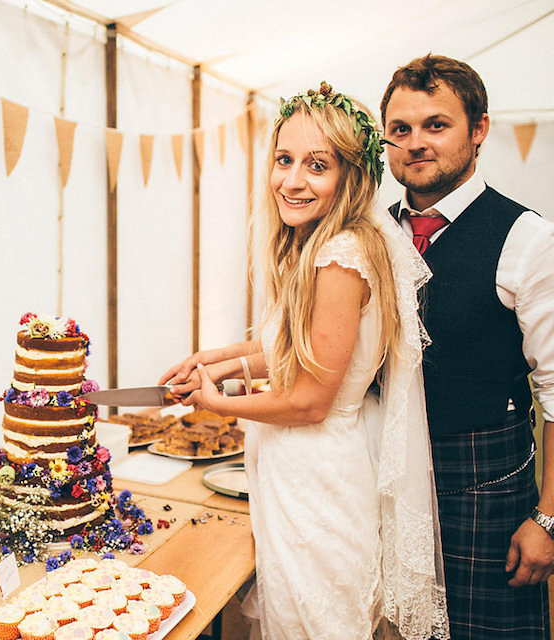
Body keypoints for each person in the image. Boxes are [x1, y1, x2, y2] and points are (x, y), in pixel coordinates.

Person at [160, 82, 449, 639]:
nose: (292, 181)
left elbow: (312, 400)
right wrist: (215, 360)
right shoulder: (326, 241)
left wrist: (215, 401)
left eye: (317, 166)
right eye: (284, 160)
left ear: (351, 176)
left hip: (319, 480)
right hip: (301, 472)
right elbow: (300, 349)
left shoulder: (342, 255)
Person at [380, 54, 554, 639]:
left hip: (485, 492)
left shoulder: (529, 241)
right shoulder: (371, 234)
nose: (416, 143)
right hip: (385, 488)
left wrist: (549, 519)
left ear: (479, 130)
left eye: (436, 124)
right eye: (400, 130)